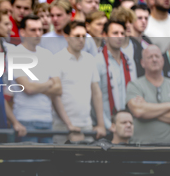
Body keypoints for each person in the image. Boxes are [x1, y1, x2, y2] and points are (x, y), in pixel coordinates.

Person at [8, 15, 61, 143]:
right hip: (25, 119)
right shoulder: (14, 53)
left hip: (47, 120)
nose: (38, 33)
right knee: (26, 163)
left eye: (40, 29)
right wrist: (49, 83)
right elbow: (28, 89)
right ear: (22, 32)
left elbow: (58, 89)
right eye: (33, 30)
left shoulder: (47, 54)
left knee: (46, 163)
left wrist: (36, 86)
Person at [51, 21, 106, 143]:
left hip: (86, 124)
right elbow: (55, 96)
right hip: (62, 126)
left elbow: (96, 93)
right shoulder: (56, 59)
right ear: (66, 37)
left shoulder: (89, 60)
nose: (81, 40)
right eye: (77, 36)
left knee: (86, 161)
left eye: (84, 36)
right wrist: (69, 125)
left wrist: (101, 124)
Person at [126, 45, 170, 144]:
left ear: (162, 60)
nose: (154, 59)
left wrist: (147, 108)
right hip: (140, 148)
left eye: (157, 56)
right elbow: (138, 111)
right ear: (142, 63)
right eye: (150, 57)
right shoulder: (134, 85)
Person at [96, 20, 137, 130]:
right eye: (115, 33)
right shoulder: (97, 61)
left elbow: (134, 93)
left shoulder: (129, 61)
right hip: (107, 125)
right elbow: (95, 97)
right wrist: (108, 126)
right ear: (104, 36)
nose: (119, 37)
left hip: (127, 125)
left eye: (122, 33)